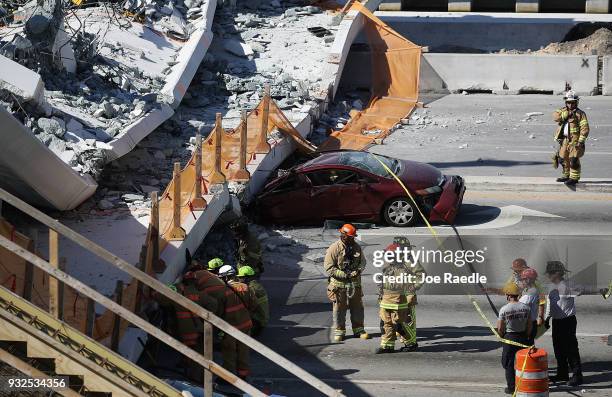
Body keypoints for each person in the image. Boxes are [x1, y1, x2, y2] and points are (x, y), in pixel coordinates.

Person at [153, 274, 219, 383]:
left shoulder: (177, 295)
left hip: (183, 331)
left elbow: (162, 300)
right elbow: (214, 304)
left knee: (190, 354)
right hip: (198, 331)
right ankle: (198, 380)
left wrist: (154, 292)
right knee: (199, 356)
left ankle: (192, 375)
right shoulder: (200, 295)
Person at [376, 237, 425, 354]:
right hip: (388, 298)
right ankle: (388, 345)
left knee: (404, 322)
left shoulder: (409, 262)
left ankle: (410, 343)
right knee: (386, 322)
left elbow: (421, 276)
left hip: (405, 296)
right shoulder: (390, 259)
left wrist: (412, 288)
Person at [324, 223, 370, 342]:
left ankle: (359, 329)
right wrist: (345, 275)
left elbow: (363, 262)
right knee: (339, 309)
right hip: (338, 285)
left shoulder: (357, 247)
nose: (352, 239)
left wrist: (358, 270)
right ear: (343, 236)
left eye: (353, 237)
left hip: (354, 284)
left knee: (357, 307)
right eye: (350, 237)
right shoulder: (334, 248)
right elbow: (329, 268)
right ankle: (339, 331)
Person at [545, 261, 583, 386]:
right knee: (558, 348)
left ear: (557, 273)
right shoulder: (550, 287)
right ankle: (562, 373)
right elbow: (550, 305)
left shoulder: (568, 285)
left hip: (568, 321)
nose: (548, 276)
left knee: (571, 349)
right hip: (557, 321)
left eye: (550, 273)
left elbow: (582, 290)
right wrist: (547, 319)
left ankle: (577, 375)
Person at [217, 264, 254, 380]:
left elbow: (219, 311)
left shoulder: (223, 291)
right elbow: (254, 305)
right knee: (243, 350)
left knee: (229, 352)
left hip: (230, 327)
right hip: (246, 324)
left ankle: (228, 378)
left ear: (226, 278)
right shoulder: (245, 287)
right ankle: (243, 375)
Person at [497, 282, 532, 395]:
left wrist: (501, 336)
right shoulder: (526, 308)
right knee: (523, 363)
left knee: (508, 363)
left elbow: (500, 328)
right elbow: (529, 326)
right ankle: (525, 384)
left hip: (510, 338)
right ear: (518, 295)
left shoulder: (504, 309)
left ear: (508, 295)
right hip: (522, 336)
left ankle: (511, 388)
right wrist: (526, 335)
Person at [553, 90, 590, 186]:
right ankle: (566, 175)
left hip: (575, 140)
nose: (570, 104)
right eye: (568, 102)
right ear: (566, 102)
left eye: (572, 102)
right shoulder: (562, 111)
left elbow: (585, 128)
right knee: (562, 158)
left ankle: (574, 178)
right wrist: (566, 115)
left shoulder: (580, 114)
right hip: (564, 139)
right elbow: (555, 117)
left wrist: (581, 141)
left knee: (573, 160)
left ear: (576, 102)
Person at [237, 265, 269, 336]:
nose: (239, 279)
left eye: (240, 277)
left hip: (257, 322)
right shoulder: (256, 285)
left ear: (246, 277)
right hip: (261, 319)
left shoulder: (251, 289)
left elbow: (246, 304)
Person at [519, 268, 544, 345]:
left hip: (527, 325)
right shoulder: (527, 290)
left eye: (523, 279)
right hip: (529, 322)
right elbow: (542, 303)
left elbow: (520, 307)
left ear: (528, 280)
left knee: (525, 347)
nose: (521, 281)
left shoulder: (531, 292)